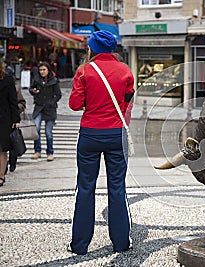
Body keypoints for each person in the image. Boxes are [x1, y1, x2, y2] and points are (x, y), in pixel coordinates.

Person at [68, 30, 134, 255]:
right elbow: (127, 104)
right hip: (116, 134)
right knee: (117, 188)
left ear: (93, 48)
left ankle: (79, 245)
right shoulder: (125, 71)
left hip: (89, 134)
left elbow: (75, 105)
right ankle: (121, 242)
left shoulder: (84, 71)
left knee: (85, 188)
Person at [29, 62, 62, 161]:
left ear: (48, 70)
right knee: (36, 129)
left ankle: (50, 152)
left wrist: (52, 102)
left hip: (50, 109)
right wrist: (33, 91)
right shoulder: (36, 79)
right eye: (40, 70)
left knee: (48, 132)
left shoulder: (54, 81)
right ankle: (37, 151)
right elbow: (31, 88)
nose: (42, 72)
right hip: (39, 107)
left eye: (44, 70)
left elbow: (58, 94)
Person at [0, 61, 20, 186]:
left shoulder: (8, 80)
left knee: (3, 148)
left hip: (4, 118)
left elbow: (13, 100)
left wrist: (16, 120)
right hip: (5, 117)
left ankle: (1, 175)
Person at [6, 84, 26, 173]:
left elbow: (22, 103)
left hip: (12, 119)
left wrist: (15, 109)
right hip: (4, 119)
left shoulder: (15, 87)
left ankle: (12, 163)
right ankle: (4, 167)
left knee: (13, 141)